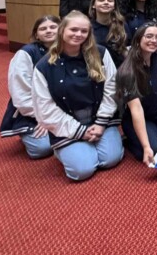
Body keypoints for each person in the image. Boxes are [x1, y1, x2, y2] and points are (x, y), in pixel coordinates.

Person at [32, 12, 124, 181]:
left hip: (99, 118)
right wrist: (79, 131)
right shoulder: (44, 66)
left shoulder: (102, 53)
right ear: (62, 31)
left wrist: (101, 123)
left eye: (84, 31)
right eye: (73, 29)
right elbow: (45, 107)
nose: (78, 34)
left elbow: (112, 89)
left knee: (110, 159)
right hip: (67, 124)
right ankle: (65, 151)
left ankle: (88, 146)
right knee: (82, 171)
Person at [116, 24, 157, 165]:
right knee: (156, 150)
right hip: (143, 117)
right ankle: (132, 141)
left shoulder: (156, 57)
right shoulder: (128, 71)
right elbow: (136, 109)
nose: (154, 40)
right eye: (149, 36)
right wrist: (146, 146)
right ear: (138, 39)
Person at [0, 15, 60, 159]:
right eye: (43, 29)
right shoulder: (26, 54)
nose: (48, 31)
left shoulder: (69, 50)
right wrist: (45, 118)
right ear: (36, 35)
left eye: (53, 27)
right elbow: (20, 93)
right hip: (34, 112)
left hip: (61, 108)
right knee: (42, 148)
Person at [88, 0, 127, 67]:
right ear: (93, 5)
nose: (106, 2)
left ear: (114, 6)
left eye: (110, 0)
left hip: (120, 71)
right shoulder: (88, 27)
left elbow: (127, 51)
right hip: (96, 70)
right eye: (101, 0)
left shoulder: (122, 25)